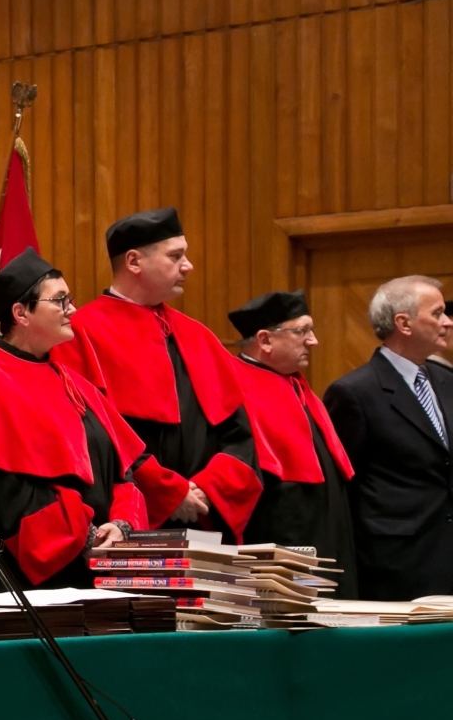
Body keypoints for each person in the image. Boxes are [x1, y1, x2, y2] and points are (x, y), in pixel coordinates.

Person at [56, 207, 261, 540]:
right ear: (134, 262)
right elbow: (92, 438)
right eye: (175, 256)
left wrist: (209, 488)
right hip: (127, 522)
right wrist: (168, 493)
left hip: (204, 517)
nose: (188, 266)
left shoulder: (199, 336)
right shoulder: (80, 334)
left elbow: (239, 436)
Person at [0, 250, 150, 587]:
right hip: (42, 579)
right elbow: (6, 495)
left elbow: (122, 469)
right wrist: (86, 538)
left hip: (108, 567)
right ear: (21, 313)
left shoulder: (74, 382)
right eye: (60, 300)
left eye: (69, 299)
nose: (71, 309)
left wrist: (122, 525)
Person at [323, 275, 453, 600]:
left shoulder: (446, 380)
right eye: (437, 313)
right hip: (397, 564)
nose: (448, 323)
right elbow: (342, 488)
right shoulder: (354, 392)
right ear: (404, 323)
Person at [228, 291, 357, 595]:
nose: (313, 341)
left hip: (328, 530)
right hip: (284, 536)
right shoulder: (236, 387)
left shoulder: (297, 385)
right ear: (265, 340)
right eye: (302, 331)